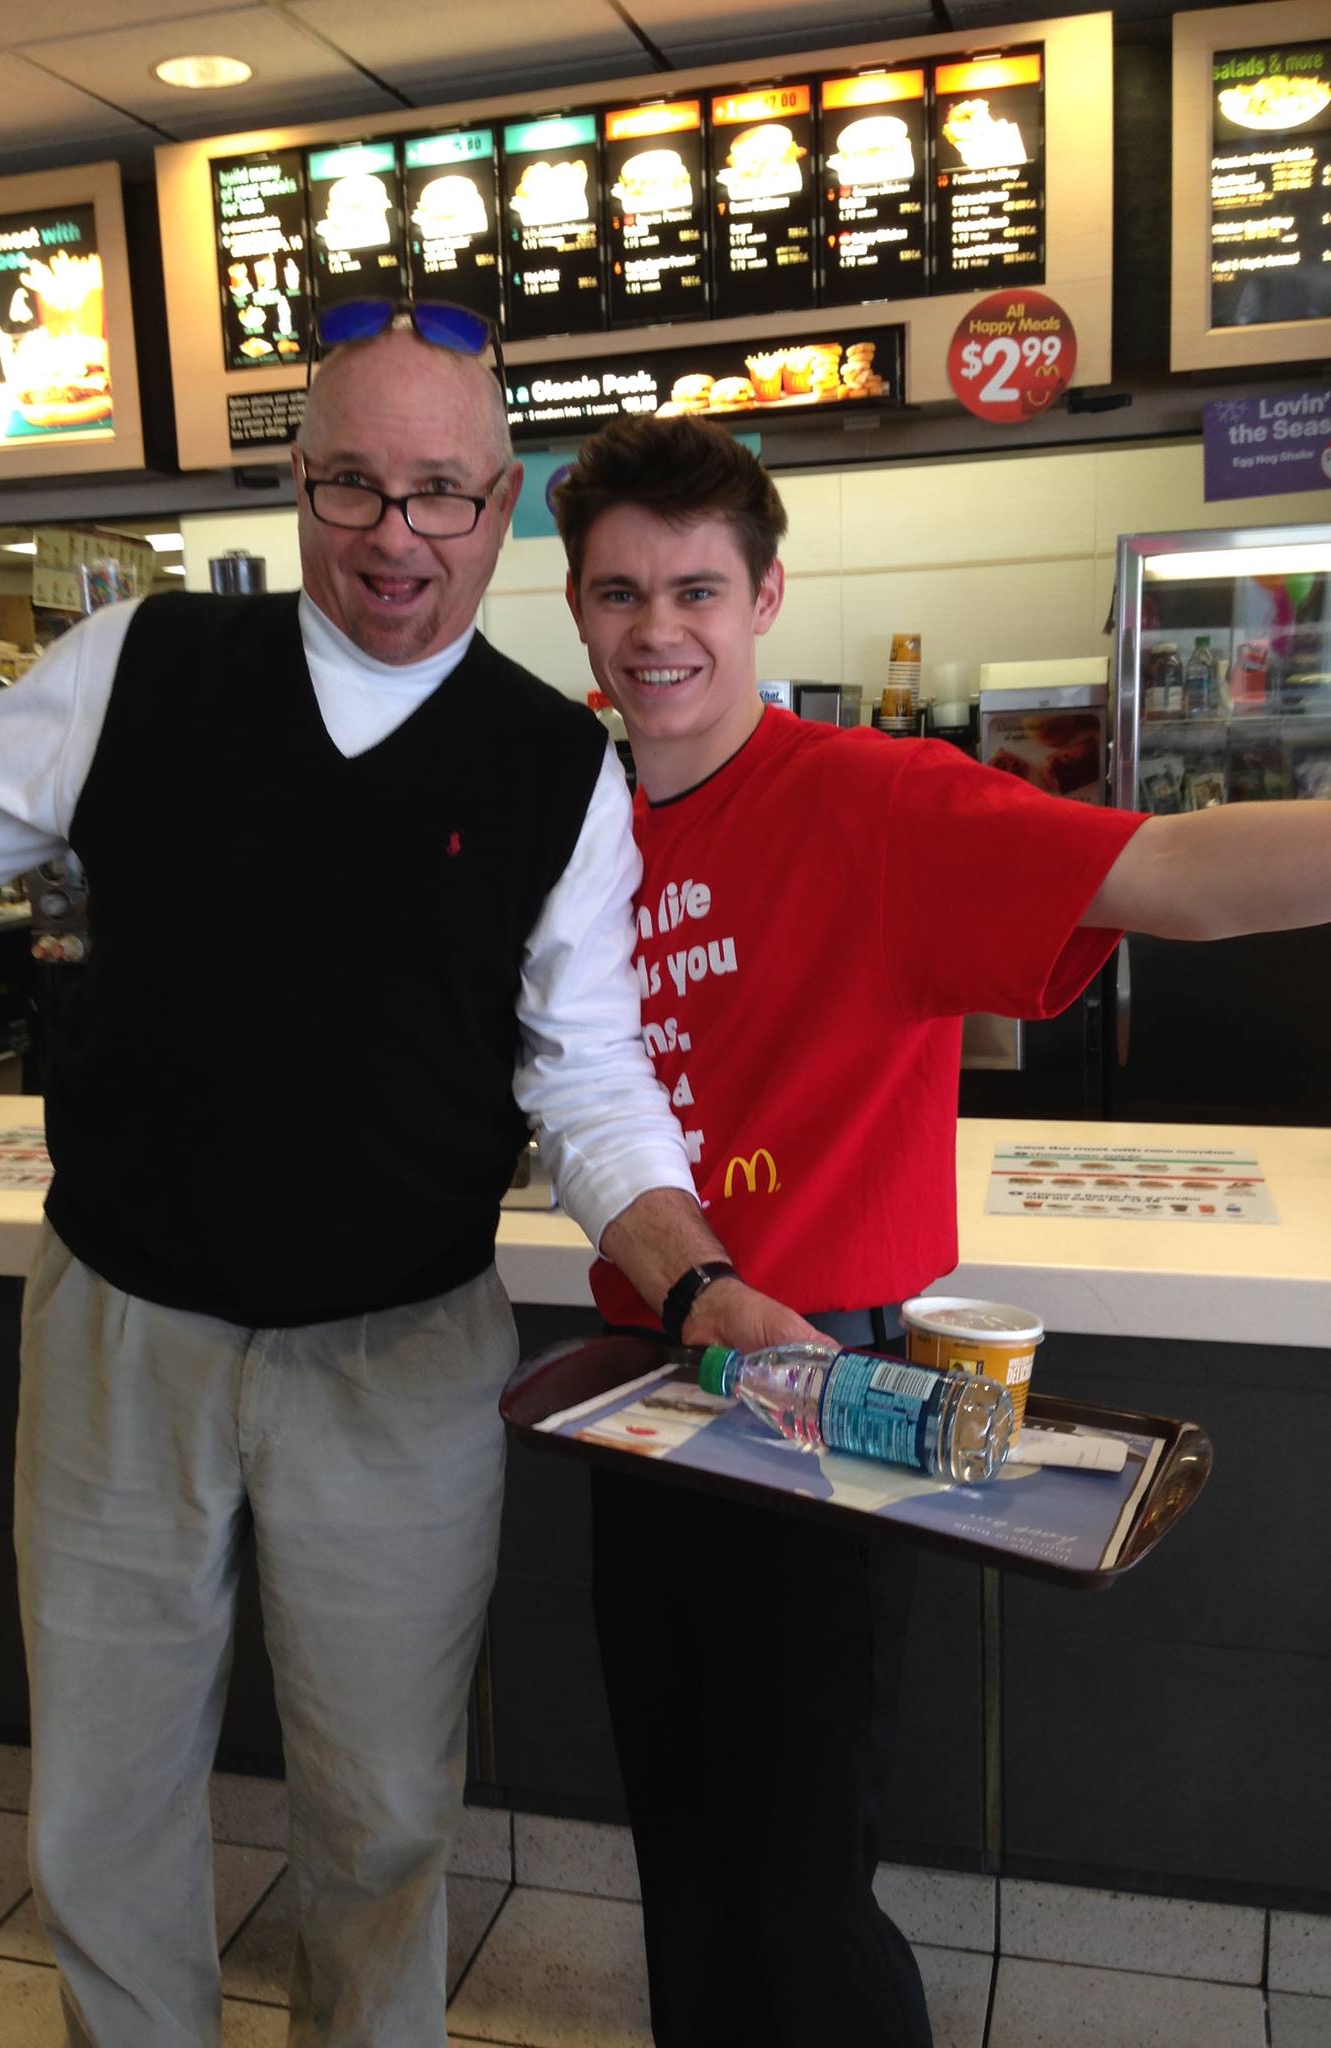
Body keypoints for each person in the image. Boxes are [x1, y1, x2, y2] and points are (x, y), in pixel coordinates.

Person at [0, 319, 806, 2048]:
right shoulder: (143, 664)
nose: (395, 536)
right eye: (353, 485)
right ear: (297, 482)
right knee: (105, 1805)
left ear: (502, 506)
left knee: (387, 1811)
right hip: (122, 1331)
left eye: (441, 494)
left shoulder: (555, 768)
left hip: (403, 1357)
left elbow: (586, 1074)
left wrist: (695, 1276)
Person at [551, 414, 1331, 2048]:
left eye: (696, 590)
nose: (657, 631)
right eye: (621, 593)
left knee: (799, 1878)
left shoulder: (875, 799)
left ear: (767, 598)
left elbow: (1178, 875)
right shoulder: (581, 827)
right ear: (576, 608)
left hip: (828, 1390)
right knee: (680, 1848)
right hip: (642, 1383)